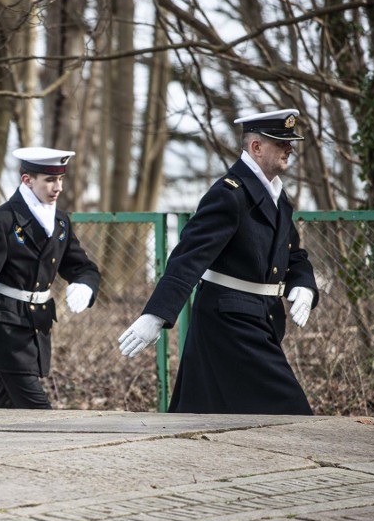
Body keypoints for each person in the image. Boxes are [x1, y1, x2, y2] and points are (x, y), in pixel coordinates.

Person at [118, 108, 318, 415]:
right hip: (231, 321)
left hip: (259, 318)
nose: (290, 148)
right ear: (256, 147)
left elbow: (294, 254)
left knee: (204, 413)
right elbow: (188, 257)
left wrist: (304, 286)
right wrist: (156, 315)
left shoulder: (279, 198)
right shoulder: (229, 195)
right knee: (291, 412)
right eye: (281, 142)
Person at [0, 146, 101, 409]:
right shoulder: (1, 222)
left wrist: (85, 284)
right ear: (27, 180)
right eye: (50, 179)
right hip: (6, 331)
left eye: (60, 179)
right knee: (39, 413)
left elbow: (82, 267)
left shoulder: (60, 221)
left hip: (37, 327)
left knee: (7, 411)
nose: (58, 187)